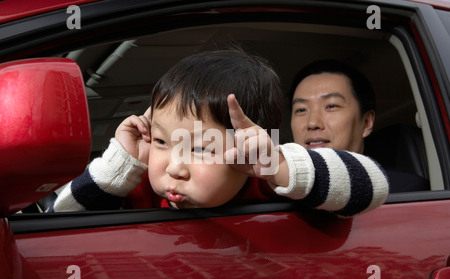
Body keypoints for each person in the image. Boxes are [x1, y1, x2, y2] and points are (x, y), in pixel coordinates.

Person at [51, 49, 389, 217]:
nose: (174, 166)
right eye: (162, 141)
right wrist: (121, 164)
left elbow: (374, 187)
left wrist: (279, 166)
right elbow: (60, 219)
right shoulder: (136, 188)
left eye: (199, 148)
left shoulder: (271, 187)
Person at [289, 59, 430, 192]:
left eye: (331, 106)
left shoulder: (404, 192)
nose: (313, 123)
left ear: (367, 122)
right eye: (301, 110)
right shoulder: (281, 191)